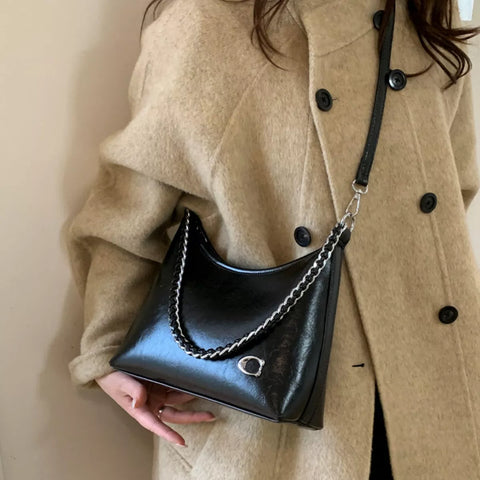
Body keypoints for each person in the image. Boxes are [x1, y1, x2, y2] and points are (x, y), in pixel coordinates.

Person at [64, 0, 480, 478]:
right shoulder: (209, 26)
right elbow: (126, 211)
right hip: (265, 408)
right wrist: (108, 348)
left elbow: (452, 191)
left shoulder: (431, 18)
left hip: (434, 388)